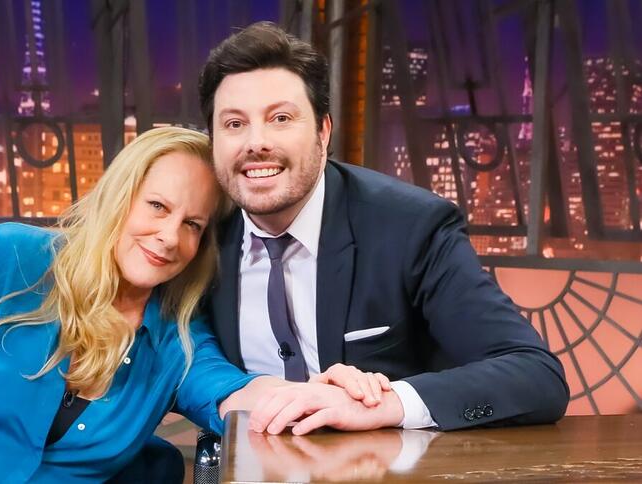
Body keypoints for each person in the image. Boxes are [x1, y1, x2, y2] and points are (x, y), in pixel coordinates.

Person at [0, 127, 389, 483]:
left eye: (192, 225)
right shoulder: (13, 256)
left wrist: (313, 394)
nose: (169, 237)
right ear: (119, 196)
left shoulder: (175, 332)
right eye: (156, 205)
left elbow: (230, 392)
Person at [198, 21, 569, 435]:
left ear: (323, 131)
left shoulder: (410, 228)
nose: (256, 143)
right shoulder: (198, 233)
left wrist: (387, 402)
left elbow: (536, 376)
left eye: (281, 118)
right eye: (234, 124)